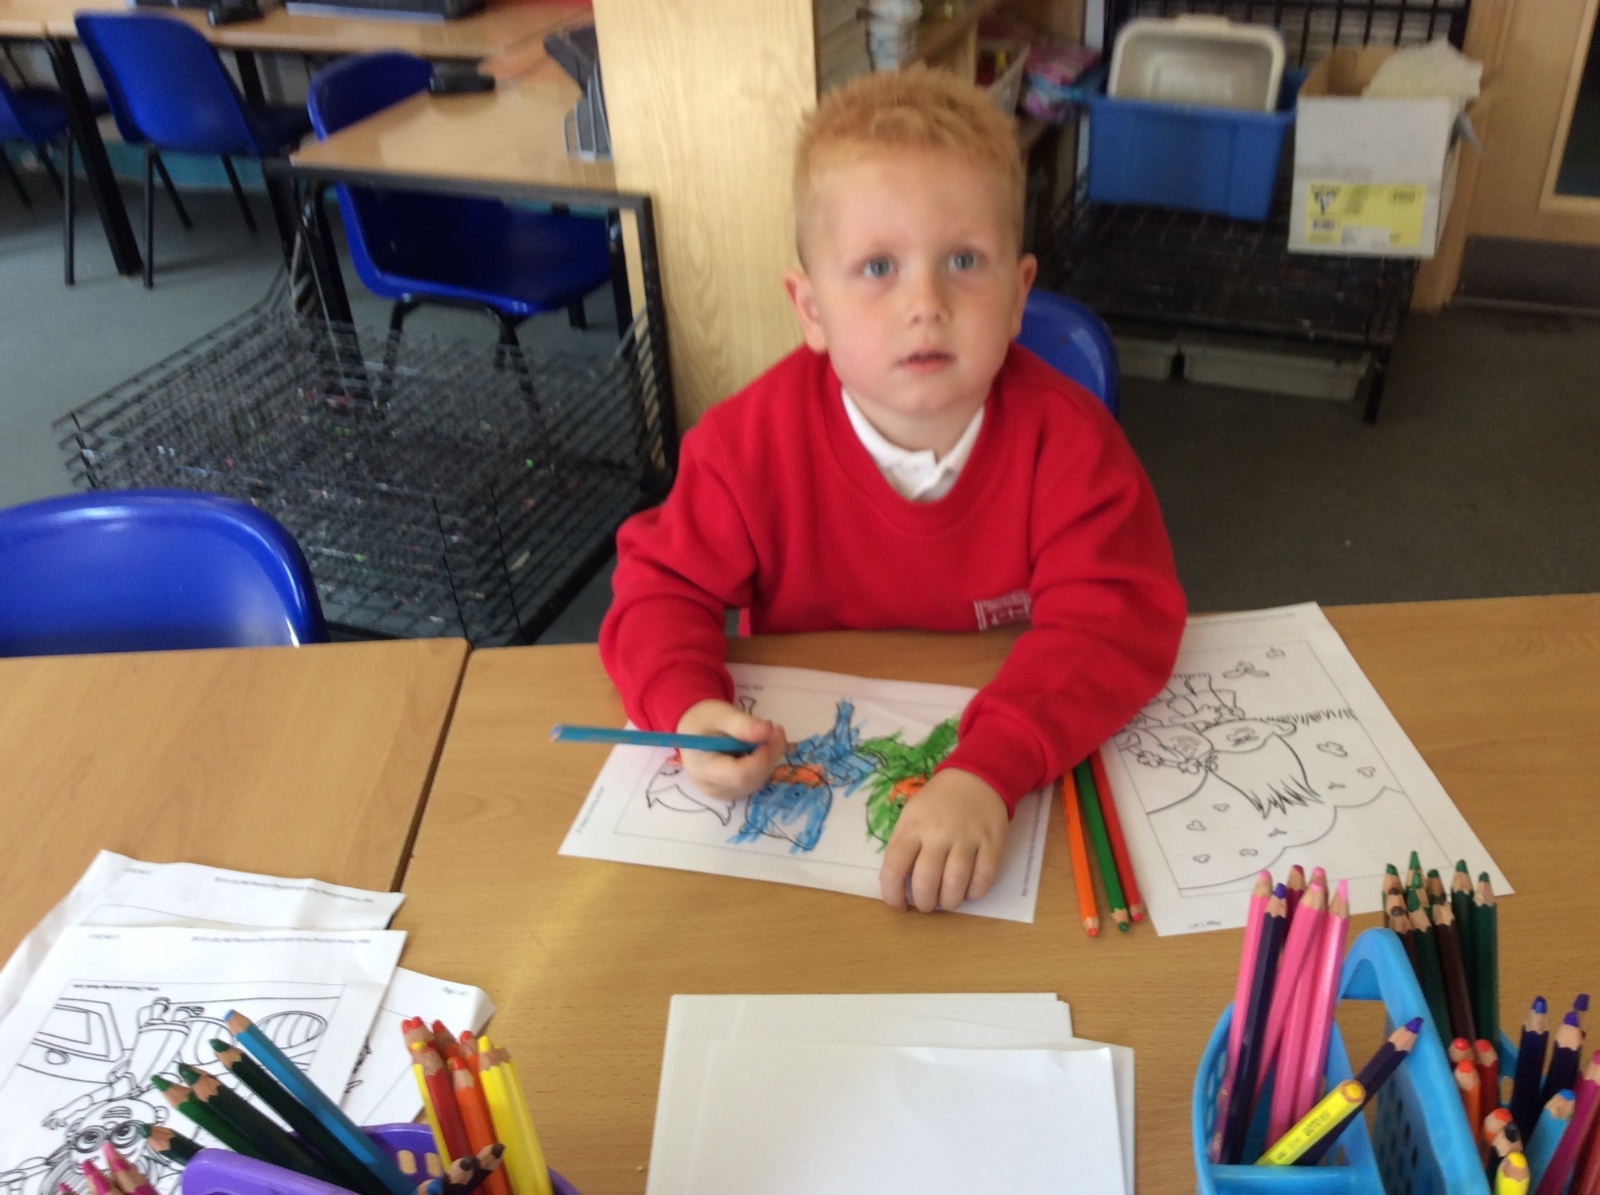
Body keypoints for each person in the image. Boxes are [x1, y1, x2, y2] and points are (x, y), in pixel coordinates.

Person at [599, 65, 1186, 913]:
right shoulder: (743, 447)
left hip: (1005, 780)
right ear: (810, 309)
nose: (926, 302)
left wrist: (991, 766)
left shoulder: (1074, 447)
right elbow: (659, 588)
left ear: (1019, 295)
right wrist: (685, 708)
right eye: (878, 266)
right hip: (807, 836)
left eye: (963, 260)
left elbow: (1114, 624)